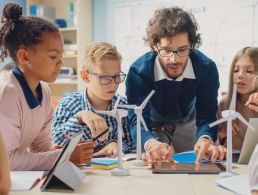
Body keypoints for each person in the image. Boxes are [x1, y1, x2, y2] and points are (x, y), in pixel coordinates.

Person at [125, 7, 225, 164]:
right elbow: (137, 119)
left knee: (197, 161)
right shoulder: (139, 71)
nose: (174, 59)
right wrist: (151, 143)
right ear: (155, 46)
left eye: (182, 50)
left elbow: (206, 113)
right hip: (153, 122)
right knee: (157, 164)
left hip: (189, 119)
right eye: (166, 50)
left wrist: (205, 138)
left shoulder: (206, 68)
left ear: (191, 44)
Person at [0, 3, 93, 171]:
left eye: (61, 56)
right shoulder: (8, 94)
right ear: (24, 56)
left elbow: (40, 147)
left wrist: (66, 150)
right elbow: (7, 161)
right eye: (53, 56)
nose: (60, 63)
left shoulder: (44, 90)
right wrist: (63, 157)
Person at [52, 42, 135, 156]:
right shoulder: (67, 105)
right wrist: (80, 118)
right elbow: (56, 143)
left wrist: (115, 144)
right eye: (105, 78)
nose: (113, 84)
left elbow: (133, 143)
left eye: (117, 77)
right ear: (85, 76)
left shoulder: (123, 106)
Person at [217, 47, 258, 150]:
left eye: (249, 71)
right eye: (236, 70)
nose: (240, 75)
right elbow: (217, 145)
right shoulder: (224, 104)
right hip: (235, 162)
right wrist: (224, 134)